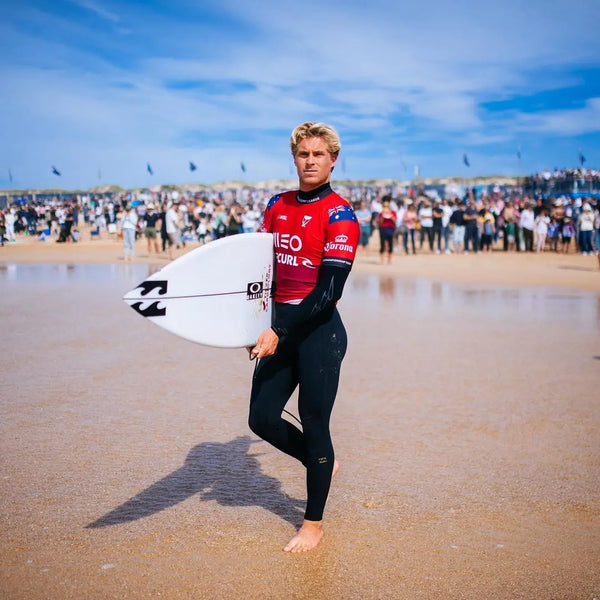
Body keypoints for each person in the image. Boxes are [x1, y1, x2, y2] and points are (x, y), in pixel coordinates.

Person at [249, 122, 359, 553]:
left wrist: (279, 329)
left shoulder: (340, 215)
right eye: (303, 154)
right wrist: (250, 325)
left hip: (318, 334)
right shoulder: (278, 205)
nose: (310, 161)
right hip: (279, 328)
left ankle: (312, 524)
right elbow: (257, 271)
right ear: (294, 158)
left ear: (333, 160)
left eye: (318, 154)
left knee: (315, 423)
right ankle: (319, 461)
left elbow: (329, 290)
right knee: (261, 419)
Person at [377, 196, 396, 264]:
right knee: (382, 244)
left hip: (390, 229)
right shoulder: (381, 213)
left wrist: (390, 215)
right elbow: (380, 222)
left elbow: (394, 220)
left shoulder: (393, 212)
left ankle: (389, 260)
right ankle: (382, 260)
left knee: (390, 244)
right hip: (383, 229)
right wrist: (383, 215)